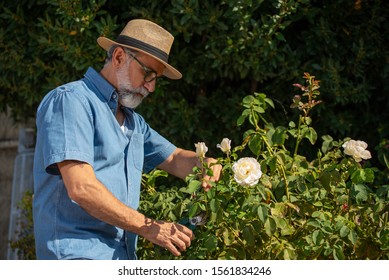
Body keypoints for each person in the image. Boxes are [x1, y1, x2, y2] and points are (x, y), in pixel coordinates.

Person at [33, 19, 222, 260]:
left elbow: (174, 158)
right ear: (119, 57)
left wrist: (206, 164)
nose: (151, 87)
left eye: (157, 79)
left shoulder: (133, 123)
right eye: (148, 73)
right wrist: (151, 227)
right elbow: (81, 187)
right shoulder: (71, 101)